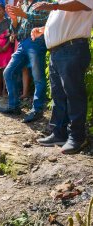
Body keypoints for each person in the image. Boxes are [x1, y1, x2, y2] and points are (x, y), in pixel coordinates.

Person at [31, 0, 92, 154]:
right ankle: (59, 133)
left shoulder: (62, 2)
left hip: (72, 48)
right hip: (57, 51)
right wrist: (44, 29)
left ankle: (77, 137)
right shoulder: (60, 2)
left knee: (73, 94)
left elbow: (81, 5)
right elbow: (64, 24)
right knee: (58, 94)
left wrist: (54, 5)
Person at [0, 0, 50, 123]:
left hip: (37, 42)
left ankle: (37, 110)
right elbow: (15, 30)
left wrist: (22, 13)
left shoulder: (44, 3)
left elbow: (44, 19)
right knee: (8, 72)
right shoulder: (24, 5)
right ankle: (14, 106)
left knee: (38, 77)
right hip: (22, 43)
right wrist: (14, 18)